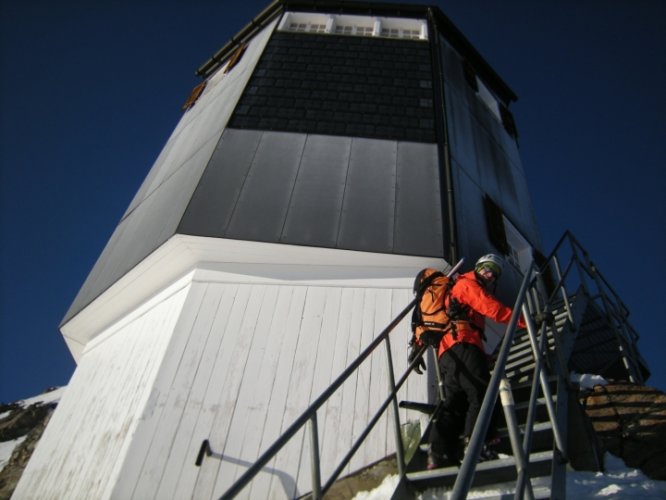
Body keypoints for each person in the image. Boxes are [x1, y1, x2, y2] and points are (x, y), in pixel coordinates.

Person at [426, 253, 527, 469]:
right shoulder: (467, 284)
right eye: (487, 268)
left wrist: (484, 356)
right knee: (482, 392)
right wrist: (527, 320)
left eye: (494, 273)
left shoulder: (461, 288)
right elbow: (493, 308)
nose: (489, 274)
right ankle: (478, 446)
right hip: (462, 345)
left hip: (449, 352)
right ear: (478, 267)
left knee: (455, 402)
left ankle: (441, 452)